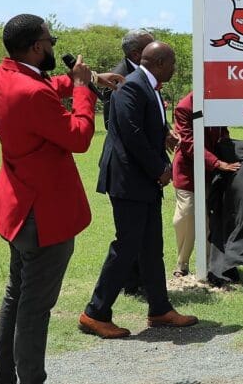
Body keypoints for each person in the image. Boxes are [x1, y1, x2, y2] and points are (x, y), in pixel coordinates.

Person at [0, 14, 123, 384]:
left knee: (16, 297)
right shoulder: (31, 94)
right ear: (36, 48)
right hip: (42, 214)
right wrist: (83, 91)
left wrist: (89, 79)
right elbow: (79, 136)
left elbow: (43, 88)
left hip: (17, 206)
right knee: (33, 308)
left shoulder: (5, 74)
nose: (54, 43)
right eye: (50, 39)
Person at [79, 41, 198, 339]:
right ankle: (95, 313)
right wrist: (159, 168)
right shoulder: (133, 86)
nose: (174, 69)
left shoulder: (148, 84)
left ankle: (159, 309)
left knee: (150, 245)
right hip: (129, 179)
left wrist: (164, 135)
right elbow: (131, 135)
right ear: (158, 62)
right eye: (171, 63)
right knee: (128, 245)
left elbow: (147, 124)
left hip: (141, 179)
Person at [107, 30, 155, 298]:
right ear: (138, 54)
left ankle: (148, 287)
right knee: (129, 235)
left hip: (140, 164)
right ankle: (125, 286)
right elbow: (124, 127)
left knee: (144, 234)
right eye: (152, 45)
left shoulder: (146, 76)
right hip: (127, 166)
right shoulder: (121, 78)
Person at [171, 91, 241, 277]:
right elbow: (188, 142)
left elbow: (222, 132)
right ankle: (182, 262)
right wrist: (217, 163)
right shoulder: (185, 106)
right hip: (188, 172)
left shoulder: (218, 101)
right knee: (186, 215)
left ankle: (211, 266)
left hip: (212, 172)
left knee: (210, 220)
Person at [103, 29, 154, 130]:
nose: (157, 51)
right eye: (151, 49)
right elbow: (110, 121)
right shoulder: (117, 79)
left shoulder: (148, 72)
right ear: (135, 54)